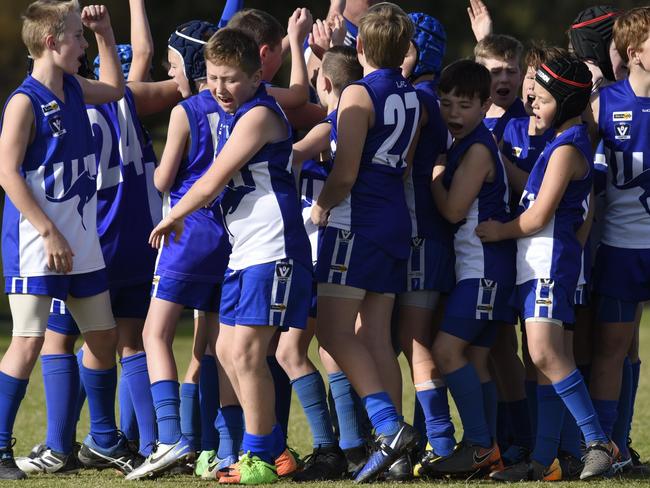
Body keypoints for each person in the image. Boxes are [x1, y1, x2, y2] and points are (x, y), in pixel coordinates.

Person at [149, 27, 312, 485]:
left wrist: (172, 216)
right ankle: (271, 448)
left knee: (244, 353)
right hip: (245, 250)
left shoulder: (259, 115)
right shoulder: (236, 112)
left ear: (258, 74)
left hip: (273, 246)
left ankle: (259, 456)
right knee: (223, 348)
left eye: (232, 78)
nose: (221, 88)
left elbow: (210, 181)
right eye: (214, 78)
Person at [0, 1, 132, 480]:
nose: (82, 45)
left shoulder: (75, 87)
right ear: (52, 42)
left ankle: (103, 438)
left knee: (103, 336)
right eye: (77, 36)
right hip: (40, 242)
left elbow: (117, 89)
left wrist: (104, 31)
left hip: (80, 239)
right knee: (28, 343)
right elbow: (8, 175)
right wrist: (48, 230)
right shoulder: (24, 101)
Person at [476, 55, 619, 481]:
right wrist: (498, 162)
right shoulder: (559, 144)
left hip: (549, 264)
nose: (532, 102)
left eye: (543, 97)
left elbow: (538, 216)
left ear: (568, 99)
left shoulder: (569, 147)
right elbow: (530, 188)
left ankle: (597, 442)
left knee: (545, 353)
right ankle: (544, 461)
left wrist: (498, 231)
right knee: (540, 363)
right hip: (536, 264)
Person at [310, 3, 420, 483]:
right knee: (375, 336)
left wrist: (320, 208)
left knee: (333, 334)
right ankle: (396, 454)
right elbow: (405, 164)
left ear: (358, 46)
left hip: (357, 223)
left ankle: (389, 429)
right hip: (395, 220)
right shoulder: (413, 95)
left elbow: (346, 172)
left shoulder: (356, 94)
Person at [123, 19, 234, 480]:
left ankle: (169, 439)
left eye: (173, 66)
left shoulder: (185, 111)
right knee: (211, 345)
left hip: (185, 232)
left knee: (154, 334)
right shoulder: (240, 107)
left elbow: (165, 180)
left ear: (192, 66)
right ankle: (220, 446)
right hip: (227, 237)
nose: (171, 76)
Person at [422, 59, 514, 477]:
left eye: (464, 105)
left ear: (484, 106)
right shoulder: (467, 143)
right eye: (445, 104)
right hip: (482, 269)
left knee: (445, 351)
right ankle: (489, 448)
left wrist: (434, 177)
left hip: (484, 270)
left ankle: (479, 445)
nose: (453, 114)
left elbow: (455, 210)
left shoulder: (477, 148)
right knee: (475, 359)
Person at [289, 45, 363, 482]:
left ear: (327, 85)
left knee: (292, 350)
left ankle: (332, 448)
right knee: (330, 347)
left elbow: (292, 153)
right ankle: (350, 446)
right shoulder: (361, 122)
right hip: (349, 247)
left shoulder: (331, 125)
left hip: (322, 252)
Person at [588, 6, 650, 471]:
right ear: (635, 53)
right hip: (621, 249)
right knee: (614, 347)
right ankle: (612, 447)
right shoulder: (604, 104)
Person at [396, 12, 457, 477]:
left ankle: (438, 441)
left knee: (416, 343)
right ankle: (419, 442)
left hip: (417, 235)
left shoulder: (418, 99)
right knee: (406, 341)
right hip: (422, 236)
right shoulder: (432, 98)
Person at [474, 34, 527, 143]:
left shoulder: (531, 120)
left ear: (521, 76)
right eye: (495, 72)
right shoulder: (467, 116)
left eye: (511, 71)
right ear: (480, 77)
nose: (504, 79)